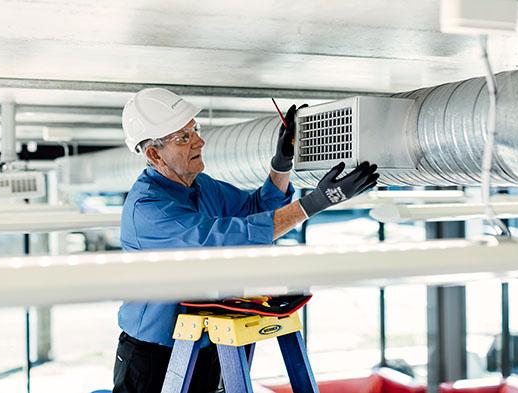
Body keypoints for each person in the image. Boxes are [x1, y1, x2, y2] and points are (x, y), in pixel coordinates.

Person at [114, 88, 379, 393]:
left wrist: (281, 164)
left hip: (206, 341)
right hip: (153, 356)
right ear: (154, 154)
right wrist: (315, 203)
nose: (199, 141)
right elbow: (223, 241)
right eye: (183, 137)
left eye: (195, 129)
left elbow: (256, 209)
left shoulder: (203, 187)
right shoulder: (147, 209)